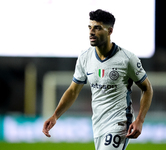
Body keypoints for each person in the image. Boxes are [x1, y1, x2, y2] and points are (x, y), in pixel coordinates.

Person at [42, 9, 153, 150]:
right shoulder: (84, 57)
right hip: (98, 124)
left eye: (97, 28)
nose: (91, 32)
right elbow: (73, 91)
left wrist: (140, 120)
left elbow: (147, 88)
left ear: (110, 31)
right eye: (90, 27)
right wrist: (55, 116)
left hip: (119, 122)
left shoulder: (127, 58)